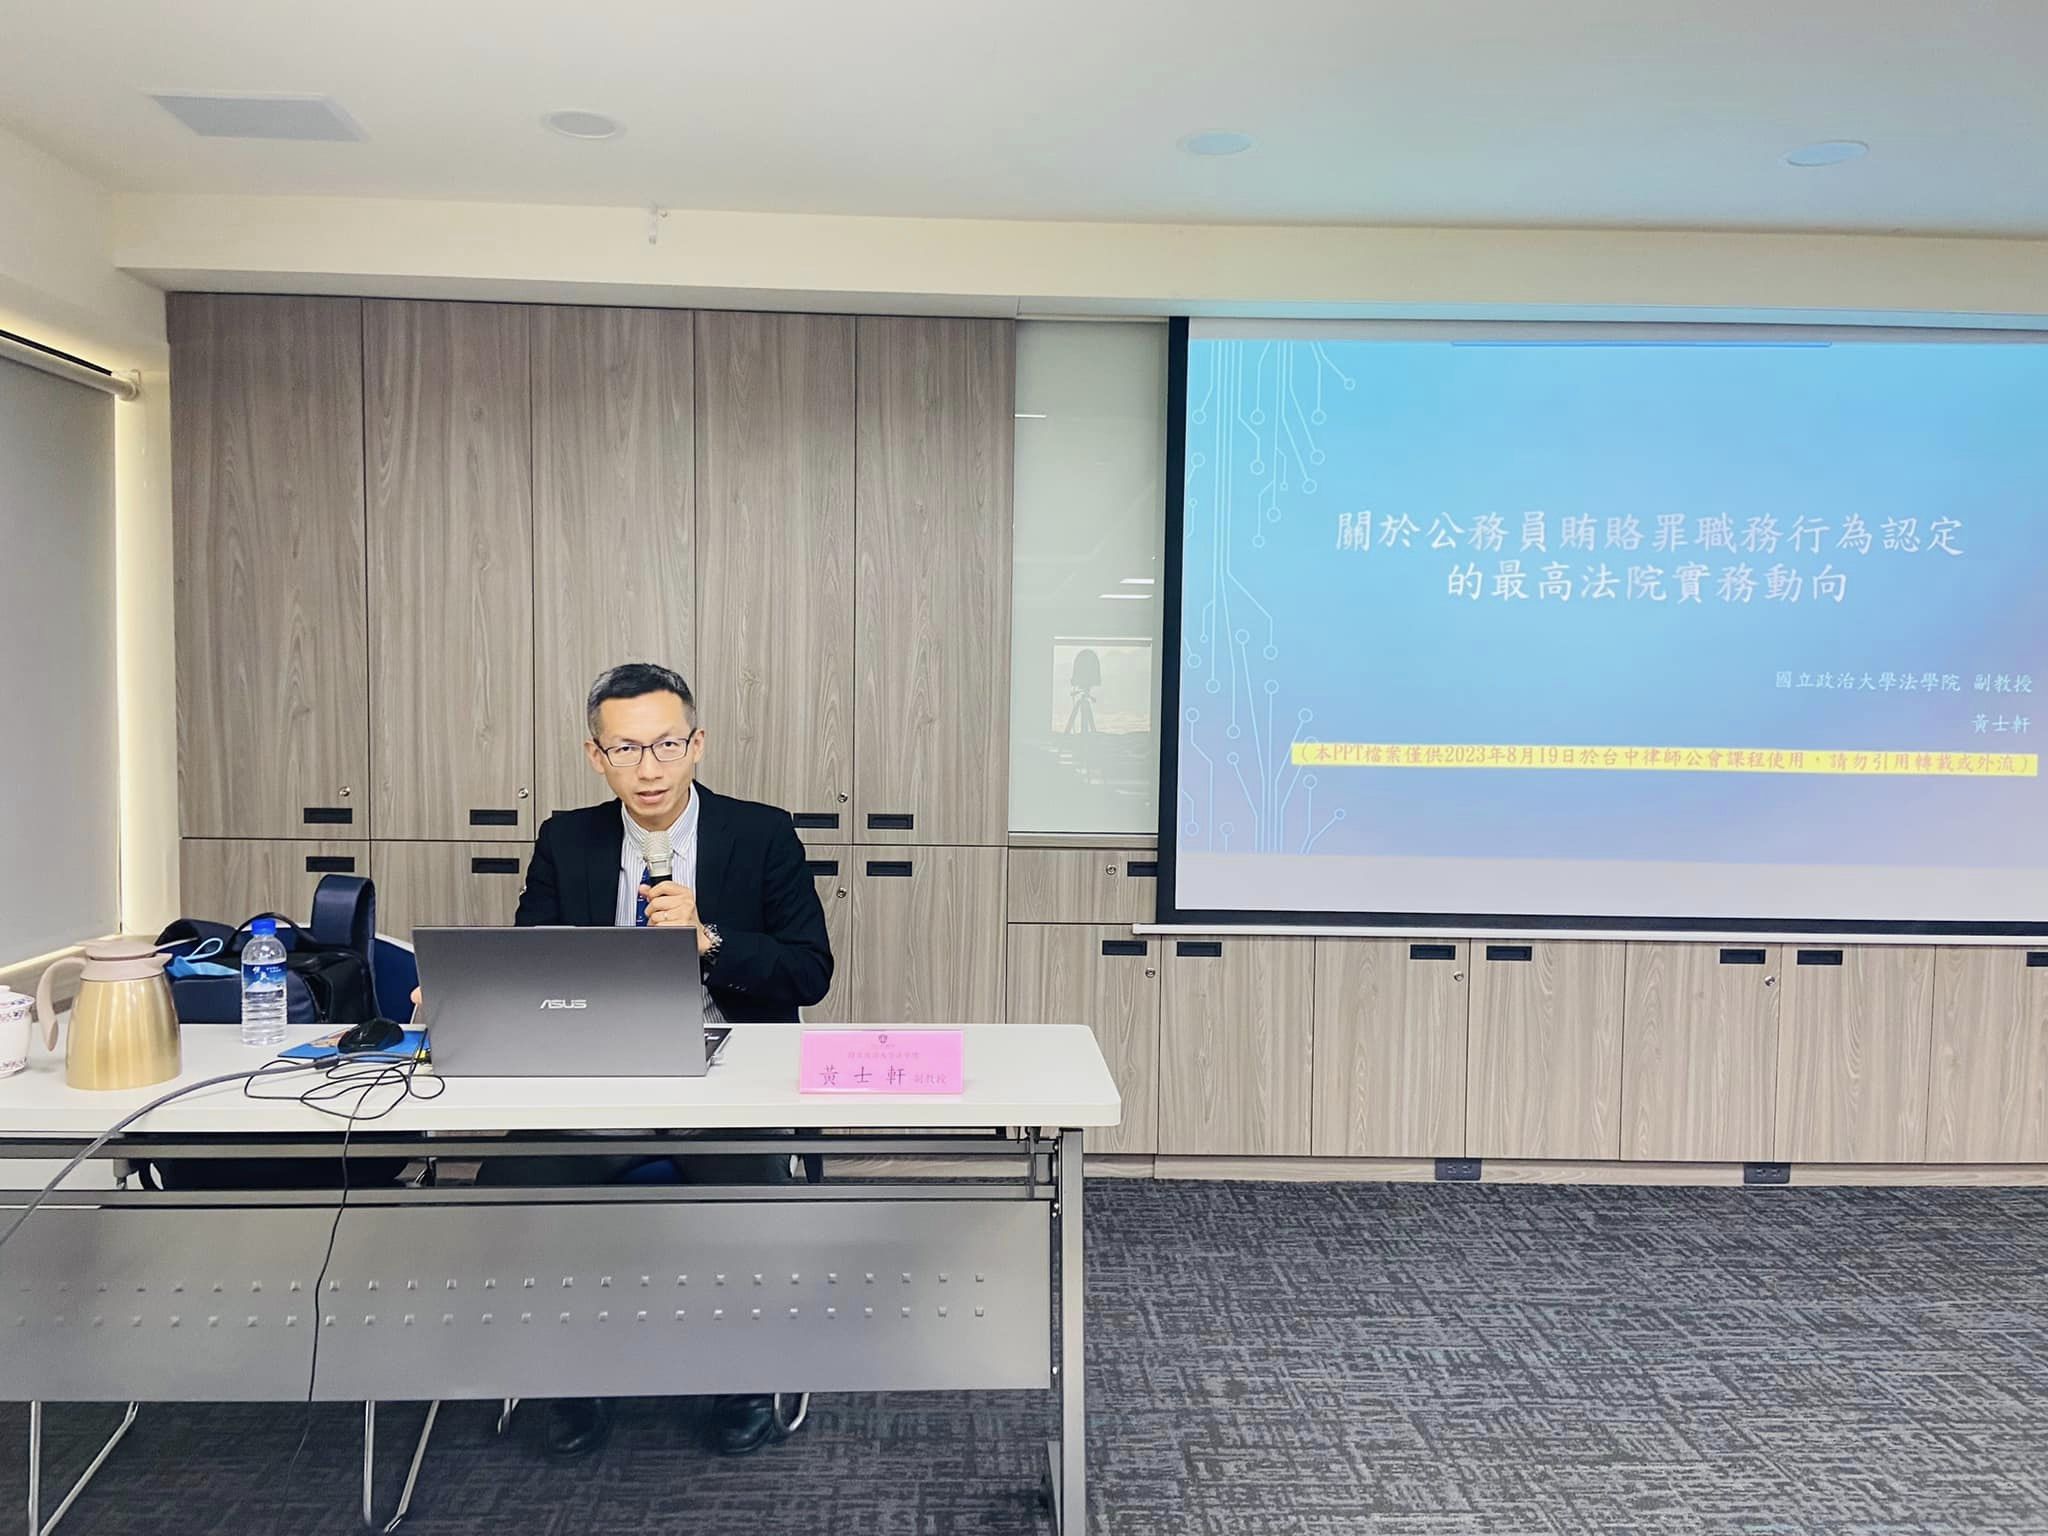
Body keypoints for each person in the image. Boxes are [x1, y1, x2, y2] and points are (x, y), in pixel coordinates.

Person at [505, 660, 833, 1458]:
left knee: (744, 1196)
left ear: (697, 744)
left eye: (665, 745)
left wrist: (708, 939)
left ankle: (744, 1376)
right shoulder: (567, 839)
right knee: (516, 1184)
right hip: (601, 1084)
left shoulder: (761, 834)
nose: (648, 769)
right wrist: (476, 992)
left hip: (729, 1084)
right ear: (597, 756)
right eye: (625, 749)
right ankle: (568, 1375)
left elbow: (809, 972)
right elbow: (529, 964)